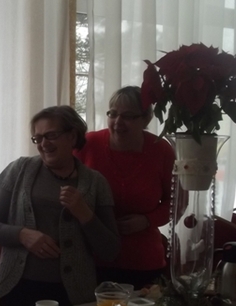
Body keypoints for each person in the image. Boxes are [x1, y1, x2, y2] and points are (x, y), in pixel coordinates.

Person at [0, 105, 120, 306]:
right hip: (18, 290)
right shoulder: (20, 169)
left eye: (51, 136)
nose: (44, 144)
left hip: (73, 296)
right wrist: (23, 235)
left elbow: (110, 251)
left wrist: (84, 213)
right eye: (38, 138)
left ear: (72, 136)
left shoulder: (96, 182)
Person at [75, 86, 175, 289]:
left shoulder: (162, 150)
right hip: (90, 258)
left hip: (143, 261)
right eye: (112, 114)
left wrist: (147, 221)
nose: (117, 122)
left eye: (128, 116)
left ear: (146, 119)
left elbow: (176, 201)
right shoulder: (88, 144)